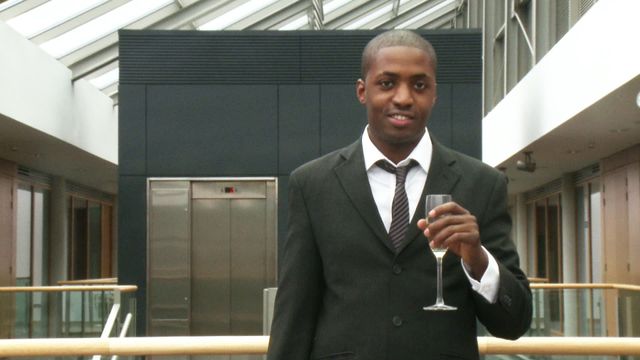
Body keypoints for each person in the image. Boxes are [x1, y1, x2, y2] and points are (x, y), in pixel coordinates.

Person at [267, 29, 532, 360]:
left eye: (419, 85)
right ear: (362, 91)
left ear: (434, 94)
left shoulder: (482, 183)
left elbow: (515, 322)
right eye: (387, 83)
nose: (404, 98)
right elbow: (295, 312)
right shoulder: (313, 184)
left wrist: (477, 260)